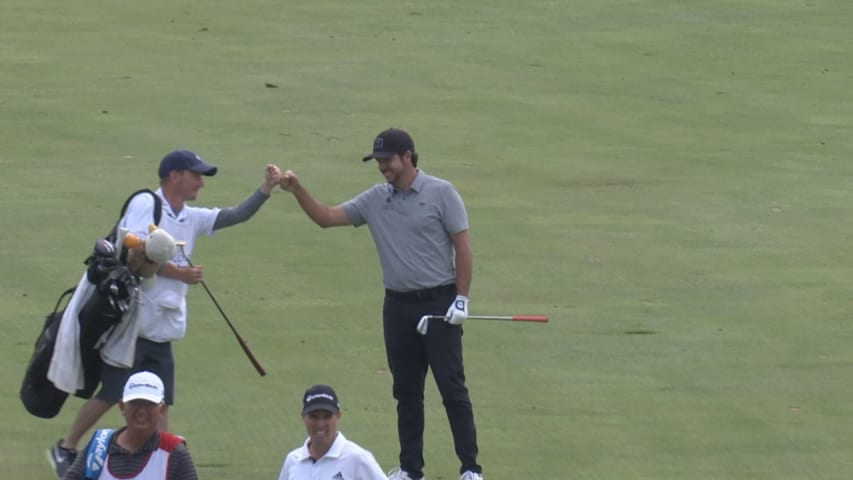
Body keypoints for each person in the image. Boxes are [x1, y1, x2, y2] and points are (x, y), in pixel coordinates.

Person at [47, 149, 282, 478]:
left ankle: (163, 462)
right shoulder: (147, 204)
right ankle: (67, 447)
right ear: (174, 176)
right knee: (115, 392)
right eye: (195, 175)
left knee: (161, 401)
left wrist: (265, 190)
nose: (200, 182)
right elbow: (134, 250)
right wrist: (180, 273)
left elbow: (233, 216)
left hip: (163, 329)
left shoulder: (190, 216)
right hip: (132, 326)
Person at [278, 128, 483, 480]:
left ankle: (470, 469)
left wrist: (461, 298)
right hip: (398, 306)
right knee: (406, 391)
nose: (382, 167)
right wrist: (297, 189)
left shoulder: (441, 193)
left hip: (439, 301)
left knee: (451, 388)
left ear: (407, 156)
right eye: (378, 161)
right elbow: (326, 217)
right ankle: (410, 469)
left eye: (387, 160)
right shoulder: (376, 199)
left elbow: (461, 246)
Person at [61, 370, 198, 480]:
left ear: (161, 409)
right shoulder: (99, 446)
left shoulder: (173, 452)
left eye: (149, 404)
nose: (142, 411)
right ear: (122, 406)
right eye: (135, 403)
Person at [278, 384, 388, 480]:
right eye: (313, 417)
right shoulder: (292, 460)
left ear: (338, 416)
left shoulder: (357, 458)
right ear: (303, 417)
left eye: (327, 417)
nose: (320, 424)